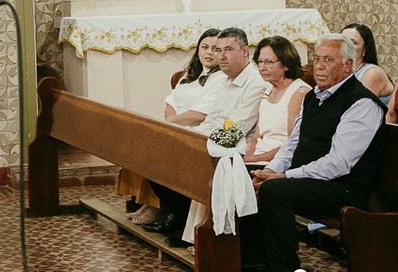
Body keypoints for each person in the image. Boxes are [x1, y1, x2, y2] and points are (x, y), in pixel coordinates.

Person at [243, 34, 387, 272]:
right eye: (317, 59)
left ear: (348, 65)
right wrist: (271, 170)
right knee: (247, 176)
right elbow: (293, 143)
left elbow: (339, 163)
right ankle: (256, 264)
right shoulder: (314, 97)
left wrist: (284, 176)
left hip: (345, 187)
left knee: (276, 192)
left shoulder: (361, 103)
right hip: (314, 181)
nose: (318, 66)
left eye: (328, 60)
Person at [147, 27, 269, 246]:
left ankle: (205, 236)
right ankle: (189, 228)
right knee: (161, 158)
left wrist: (200, 143)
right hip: (215, 140)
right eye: (218, 50)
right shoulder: (225, 80)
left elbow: (237, 129)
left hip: (237, 147)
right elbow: (212, 119)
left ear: (245, 51)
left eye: (228, 49)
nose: (221, 55)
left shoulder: (255, 84)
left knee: (187, 161)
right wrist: (191, 140)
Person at [123, 29, 222, 225]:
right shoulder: (190, 73)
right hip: (177, 128)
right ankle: (162, 205)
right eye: (204, 47)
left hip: (196, 133)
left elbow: (199, 115)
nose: (209, 53)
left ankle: (171, 210)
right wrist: (170, 122)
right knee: (140, 150)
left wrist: (169, 124)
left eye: (215, 49)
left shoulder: (220, 78)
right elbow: (172, 101)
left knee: (155, 154)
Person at [243, 36, 310, 166]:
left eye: (268, 62)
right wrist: (247, 155)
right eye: (260, 61)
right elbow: (257, 137)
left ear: (286, 64)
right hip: (257, 158)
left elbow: (293, 144)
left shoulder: (299, 93)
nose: (262, 68)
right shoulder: (268, 91)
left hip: (279, 163)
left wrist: (252, 160)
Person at [341, 23, 394, 105]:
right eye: (342, 41)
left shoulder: (373, 73)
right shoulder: (341, 71)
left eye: (353, 43)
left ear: (364, 49)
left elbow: (357, 108)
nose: (345, 47)